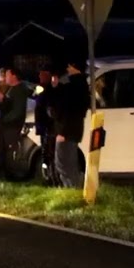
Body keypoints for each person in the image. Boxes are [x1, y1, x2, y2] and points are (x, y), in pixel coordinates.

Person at [52, 60, 91, 189]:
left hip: (67, 131)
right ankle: (75, 189)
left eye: (70, 66)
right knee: (68, 163)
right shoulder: (80, 85)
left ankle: (74, 189)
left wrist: (63, 132)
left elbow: (67, 111)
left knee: (64, 164)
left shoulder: (74, 86)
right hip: (72, 130)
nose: (68, 69)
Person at [0, 68, 30, 180]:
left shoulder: (20, 90)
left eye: (7, 75)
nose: (5, 77)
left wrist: (5, 120)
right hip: (6, 125)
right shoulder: (11, 89)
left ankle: (8, 177)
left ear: (14, 76)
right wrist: (1, 100)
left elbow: (17, 111)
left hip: (11, 126)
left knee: (8, 153)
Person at [33, 68, 59, 185]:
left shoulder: (49, 91)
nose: (39, 77)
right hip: (43, 126)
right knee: (46, 153)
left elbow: (44, 107)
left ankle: (51, 178)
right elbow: (35, 98)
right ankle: (48, 176)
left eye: (42, 75)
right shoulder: (41, 88)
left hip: (48, 127)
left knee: (48, 153)